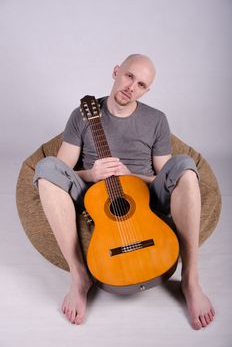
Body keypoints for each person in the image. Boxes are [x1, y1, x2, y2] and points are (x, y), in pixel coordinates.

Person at [33, 54, 215, 329]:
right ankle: (78, 275)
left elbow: (165, 176)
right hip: (96, 197)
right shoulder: (83, 114)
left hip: (141, 195)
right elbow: (63, 169)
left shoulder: (156, 120)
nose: (132, 87)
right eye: (129, 76)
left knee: (186, 166)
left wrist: (132, 176)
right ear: (116, 71)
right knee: (46, 168)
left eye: (141, 84)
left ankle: (190, 279)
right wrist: (92, 174)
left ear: (146, 90)